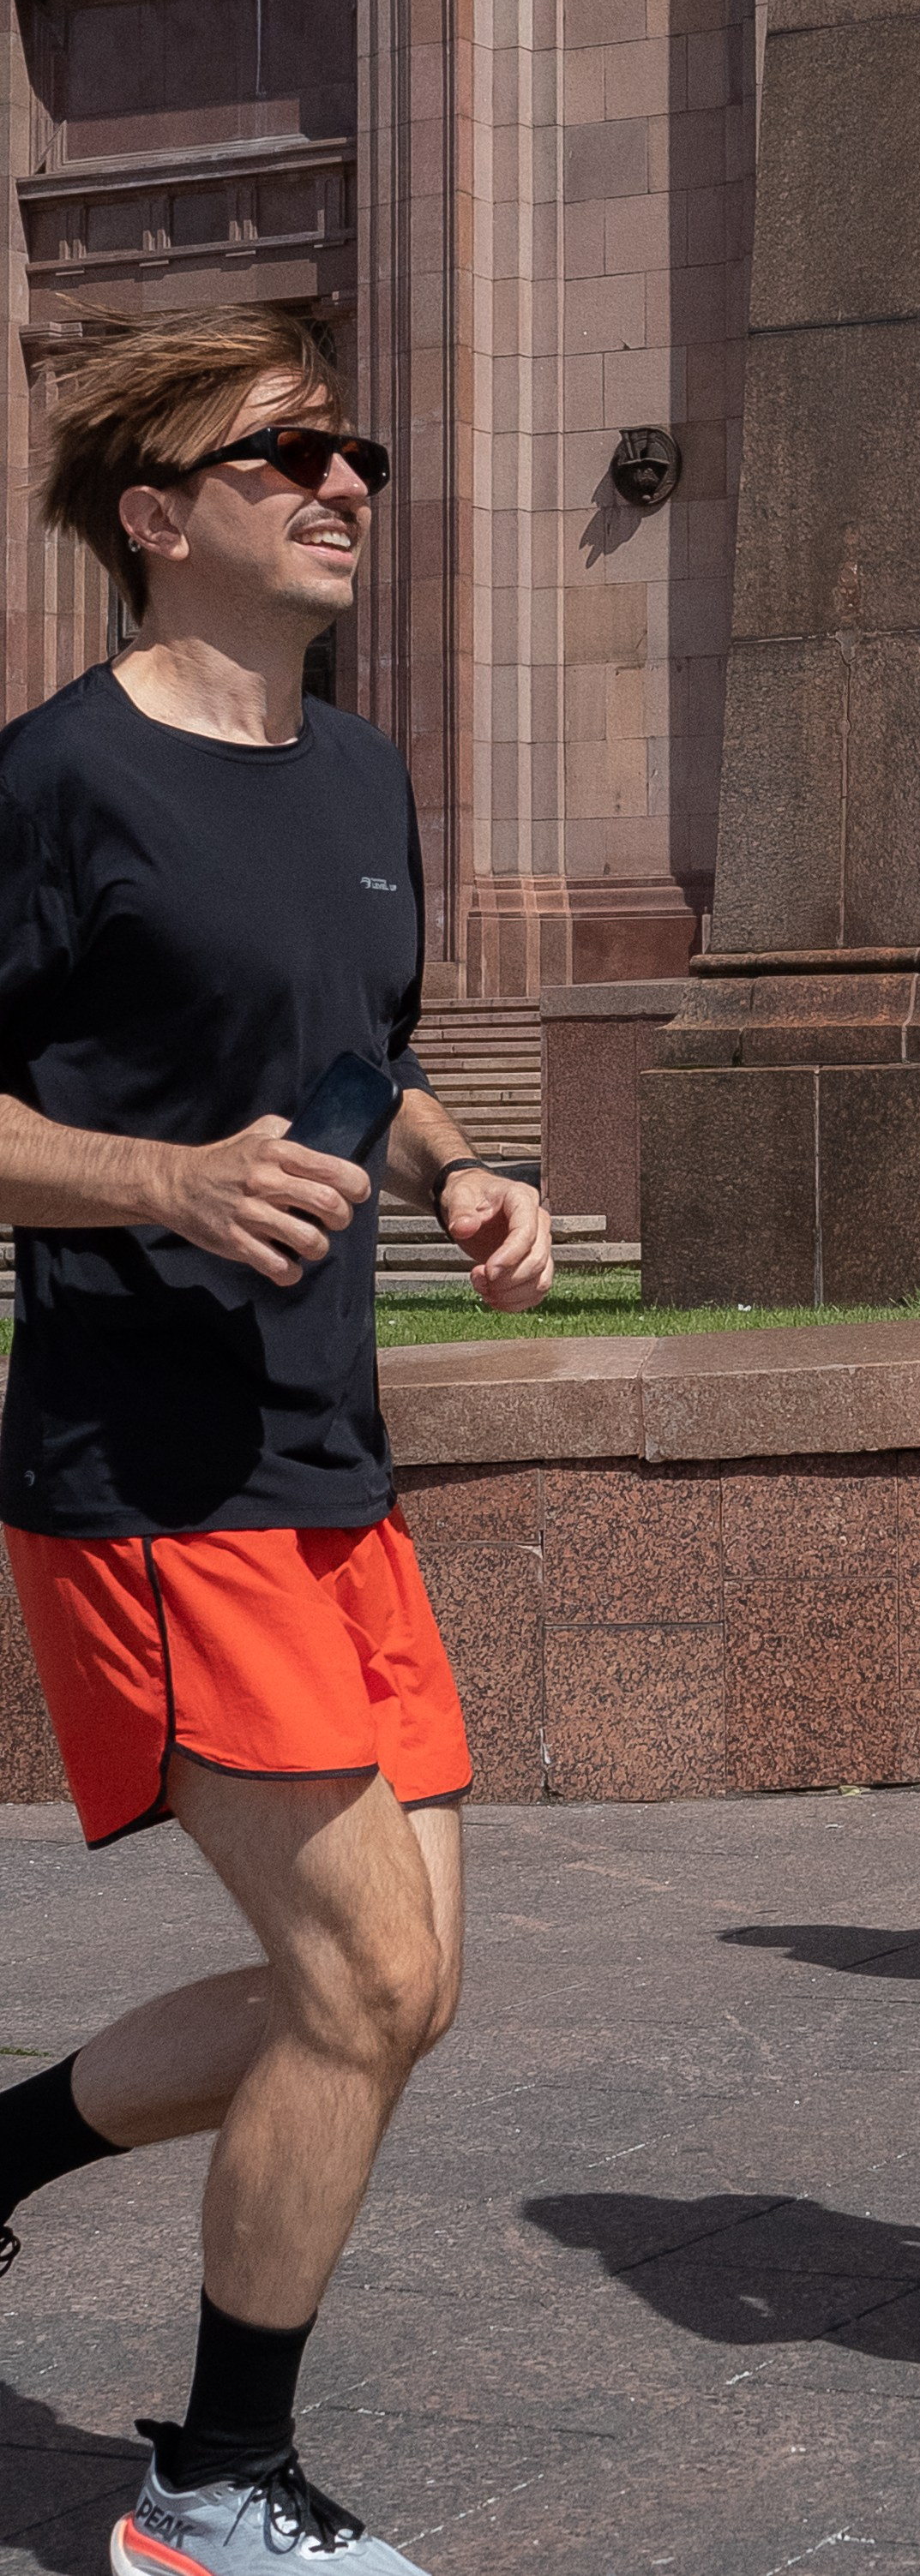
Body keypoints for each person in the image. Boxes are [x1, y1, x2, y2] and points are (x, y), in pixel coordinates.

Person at [0, 308, 554, 2576]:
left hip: (332, 1457)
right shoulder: (58, 779)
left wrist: (455, 1175)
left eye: (356, 452)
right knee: (351, 1982)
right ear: (161, 515)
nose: (344, 484)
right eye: (285, 456)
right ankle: (210, 2492)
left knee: (410, 1985)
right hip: (148, 1468)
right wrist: (161, 1183)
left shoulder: (356, 774)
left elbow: (360, 1051)